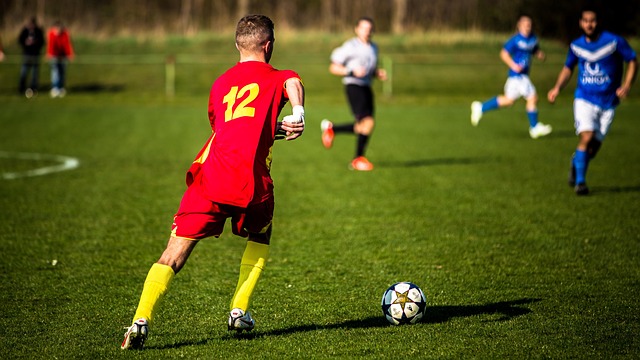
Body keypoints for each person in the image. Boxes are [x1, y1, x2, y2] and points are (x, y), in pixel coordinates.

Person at [121, 14, 305, 350]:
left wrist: (271, 129)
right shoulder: (278, 75)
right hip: (251, 183)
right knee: (261, 233)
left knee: (173, 254)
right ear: (269, 46)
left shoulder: (220, 84)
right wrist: (298, 114)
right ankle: (239, 308)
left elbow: (227, 130)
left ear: (237, 45)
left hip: (211, 180)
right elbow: (293, 83)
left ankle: (140, 320)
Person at [547, 10, 637, 195]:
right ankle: (581, 183)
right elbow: (567, 68)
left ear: (598, 22)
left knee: (593, 149)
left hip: (608, 102)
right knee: (586, 137)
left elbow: (633, 61)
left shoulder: (614, 42)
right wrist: (557, 88)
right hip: (584, 99)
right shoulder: (576, 46)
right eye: (586, 21)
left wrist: (627, 85)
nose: (589, 24)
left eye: (592, 21)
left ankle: (575, 162)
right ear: (581, 23)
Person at [321, 16, 387, 171]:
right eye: (364, 28)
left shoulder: (373, 47)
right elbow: (333, 67)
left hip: (366, 87)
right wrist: (351, 71)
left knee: (363, 127)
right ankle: (357, 159)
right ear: (357, 29)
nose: (367, 31)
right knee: (368, 122)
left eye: (369, 28)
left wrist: (377, 73)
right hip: (353, 86)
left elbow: (368, 70)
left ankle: (332, 129)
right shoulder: (350, 46)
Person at [471, 16, 552, 139]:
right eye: (525, 25)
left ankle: (481, 107)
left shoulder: (533, 39)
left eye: (529, 25)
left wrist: (539, 54)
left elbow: (534, 50)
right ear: (519, 26)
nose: (527, 27)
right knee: (533, 97)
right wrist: (513, 65)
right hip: (517, 76)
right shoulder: (515, 40)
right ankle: (534, 127)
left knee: (509, 100)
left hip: (522, 76)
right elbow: (503, 54)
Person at [18, 17, 45, 98]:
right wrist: (26, 43)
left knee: (34, 73)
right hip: (26, 54)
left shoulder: (38, 31)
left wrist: (35, 43)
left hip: (35, 55)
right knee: (24, 72)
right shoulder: (25, 31)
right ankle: (21, 88)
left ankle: (33, 88)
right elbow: (20, 40)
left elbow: (42, 42)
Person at [46, 21, 74, 98]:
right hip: (54, 56)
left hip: (63, 56)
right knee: (55, 72)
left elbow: (67, 45)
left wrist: (70, 55)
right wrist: (50, 55)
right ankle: (55, 88)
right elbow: (51, 46)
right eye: (57, 29)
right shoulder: (51, 34)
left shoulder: (65, 34)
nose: (58, 30)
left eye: (60, 29)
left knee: (62, 72)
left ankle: (61, 88)